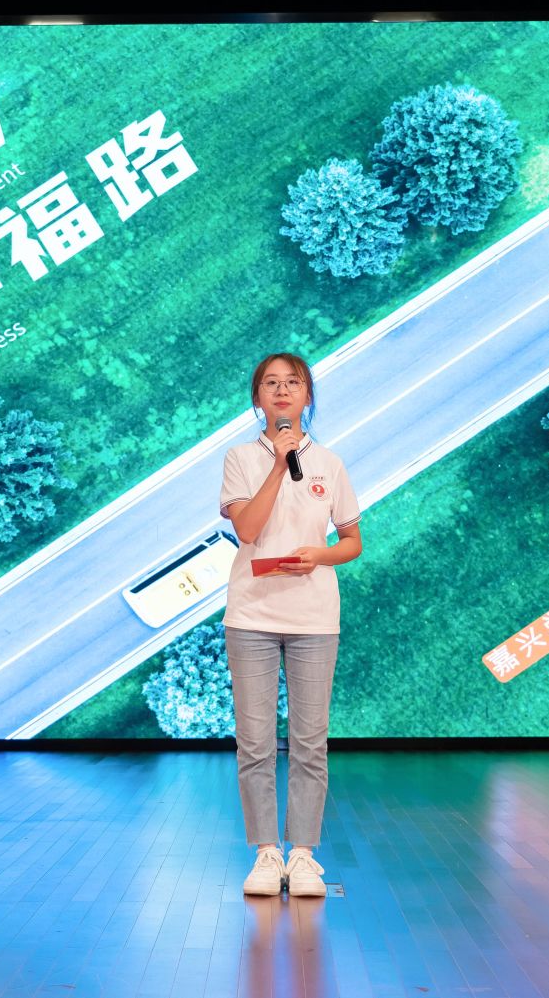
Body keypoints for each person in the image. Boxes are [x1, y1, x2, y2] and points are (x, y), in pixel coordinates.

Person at [217, 352, 363, 898]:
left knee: (309, 741)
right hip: (251, 616)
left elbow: (351, 540)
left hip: (314, 619)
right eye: (271, 384)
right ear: (258, 399)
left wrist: (319, 556)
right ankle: (265, 853)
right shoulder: (239, 458)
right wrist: (280, 465)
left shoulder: (329, 463)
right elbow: (249, 530)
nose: (282, 391)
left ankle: (302, 854)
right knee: (254, 742)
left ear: (307, 396)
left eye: (293, 383)